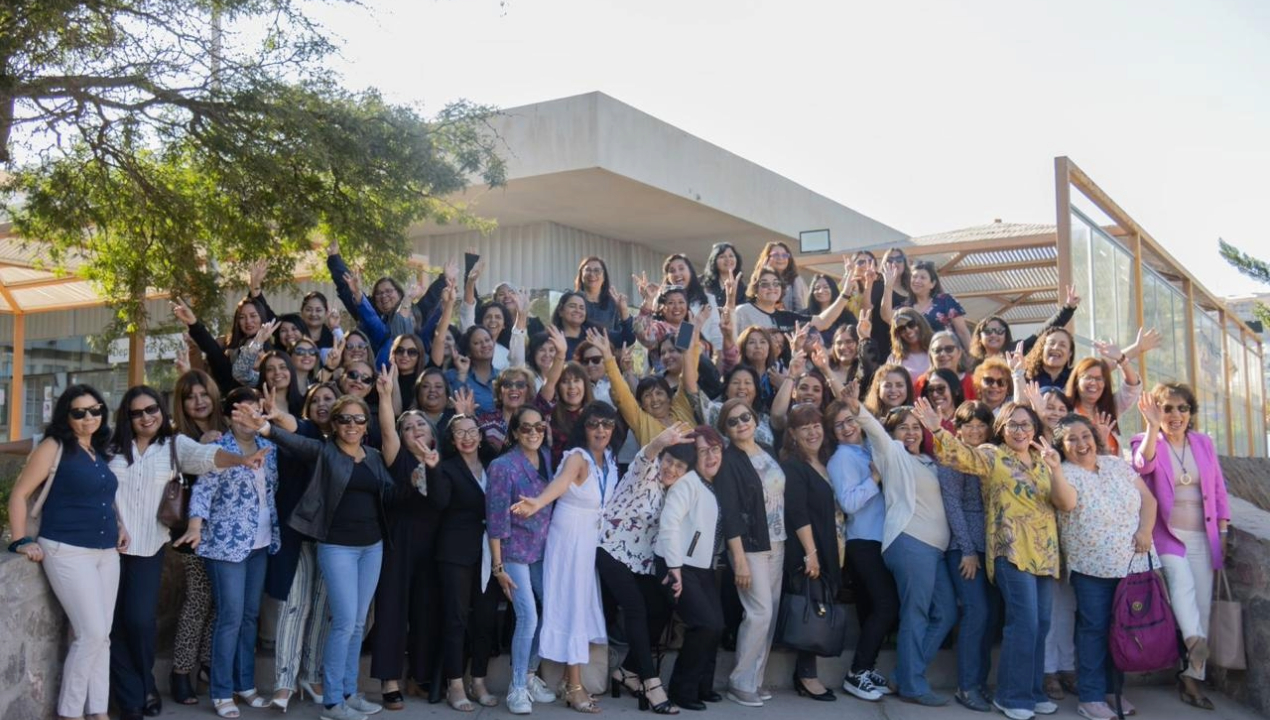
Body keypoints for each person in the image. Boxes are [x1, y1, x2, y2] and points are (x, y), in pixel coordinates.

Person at [108, 385, 264, 720]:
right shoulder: (110, 447)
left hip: (148, 547)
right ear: (126, 417)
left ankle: (145, 683)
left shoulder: (174, 445)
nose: (146, 417)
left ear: (162, 411)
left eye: (152, 409)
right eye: (137, 413)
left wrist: (241, 459)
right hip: (107, 548)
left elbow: (209, 458)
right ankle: (132, 696)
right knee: (113, 624)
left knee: (139, 621)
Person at [242, 393, 401, 720]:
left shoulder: (373, 457)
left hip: (372, 547)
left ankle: (349, 692)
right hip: (337, 547)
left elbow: (392, 488)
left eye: (359, 419)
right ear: (334, 424)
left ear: (366, 424)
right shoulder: (324, 452)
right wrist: (265, 428)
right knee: (344, 622)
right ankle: (332, 703)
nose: (352, 425)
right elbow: (295, 442)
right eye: (344, 419)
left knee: (358, 623)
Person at [918, 398, 1077, 720]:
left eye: (1026, 424)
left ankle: (1033, 692)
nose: (1020, 430)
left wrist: (1056, 469)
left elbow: (1066, 503)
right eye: (1012, 425)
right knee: (1024, 623)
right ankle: (1011, 696)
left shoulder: (1043, 459)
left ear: (1034, 428)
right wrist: (937, 429)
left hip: (1044, 554)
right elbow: (961, 456)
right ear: (1001, 429)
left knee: (1041, 624)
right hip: (1010, 550)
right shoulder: (993, 455)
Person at [8, 385, 123, 720]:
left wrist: (121, 526)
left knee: (102, 637)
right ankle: (70, 713)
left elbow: (100, 498)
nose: (89, 417)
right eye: (79, 412)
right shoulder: (54, 446)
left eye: (95, 410)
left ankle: (98, 711)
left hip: (106, 552)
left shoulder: (97, 449)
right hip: (67, 550)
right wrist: (20, 540)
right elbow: (20, 494)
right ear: (66, 416)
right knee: (91, 634)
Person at [175, 386, 279, 720]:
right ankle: (221, 691)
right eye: (241, 411)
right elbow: (202, 491)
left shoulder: (270, 446)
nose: (248, 417)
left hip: (261, 542)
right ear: (229, 415)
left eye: (254, 410)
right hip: (224, 545)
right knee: (230, 617)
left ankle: (245, 684)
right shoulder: (219, 448)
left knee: (249, 616)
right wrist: (195, 526)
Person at [512, 402, 621, 714]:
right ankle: (574, 687)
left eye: (607, 424)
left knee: (581, 608)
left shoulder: (609, 458)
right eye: (593, 424)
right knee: (573, 608)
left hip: (589, 540)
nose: (600, 430)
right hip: (569, 540)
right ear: (583, 428)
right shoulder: (577, 457)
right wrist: (537, 502)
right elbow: (560, 485)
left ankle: (566, 682)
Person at [1131, 385, 1231, 711]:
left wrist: (1223, 530)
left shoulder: (1203, 443)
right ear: (1157, 411)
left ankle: (1191, 677)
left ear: (1191, 412)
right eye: (1167, 408)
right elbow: (1142, 465)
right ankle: (1194, 644)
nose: (1175, 415)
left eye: (1182, 408)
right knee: (1182, 588)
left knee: (1201, 604)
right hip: (1166, 535)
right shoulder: (1145, 440)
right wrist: (1152, 427)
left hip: (1203, 535)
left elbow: (1218, 489)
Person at [1053, 414, 1157, 720]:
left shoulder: (1115, 464)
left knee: (1121, 629)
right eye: (1072, 439)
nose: (1081, 443)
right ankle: (1091, 696)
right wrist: (1054, 469)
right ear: (1062, 445)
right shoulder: (1063, 473)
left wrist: (1145, 530)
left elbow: (1149, 501)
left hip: (1132, 565)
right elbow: (1066, 504)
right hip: (1092, 569)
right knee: (1094, 631)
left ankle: (1113, 691)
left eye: (1085, 435)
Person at [852, 397, 955, 707]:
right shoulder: (893, 454)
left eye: (915, 427)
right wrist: (855, 405)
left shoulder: (929, 461)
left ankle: (902, 675)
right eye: (902, 428)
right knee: (916, 613)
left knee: (946, 612)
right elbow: (873, 429)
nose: (910, 432)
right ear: (892, 433)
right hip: (910, 543)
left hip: (935, 550)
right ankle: (912, 685)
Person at [599, 424, 693, 715]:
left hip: (641, 563)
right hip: (611, 550)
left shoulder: (675, 492)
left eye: (679, 466)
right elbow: (645, 457)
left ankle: (626, 672)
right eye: (669, 461)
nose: (671, 469)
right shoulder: (647, 474)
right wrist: (658, 443)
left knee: (662, 607)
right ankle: (651, 683)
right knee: (636, 609)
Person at [486, 407, 560, 714]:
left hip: (542, 550)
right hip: (513, 550)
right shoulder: (502, 466)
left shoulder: (547, 458)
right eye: (526, 428)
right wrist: (498, 567)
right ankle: (516, 687)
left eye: (538, 427)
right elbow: (495, 519)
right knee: (528, 616)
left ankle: (529, 674)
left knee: (553, 610)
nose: (533, 433)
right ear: (515, 432)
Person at [371, 401, 444, 710]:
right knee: (392, 610)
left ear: (433, 432)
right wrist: (385, 394)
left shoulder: (441, 459)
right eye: (408, 427)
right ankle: (389, 680)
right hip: (399, 541)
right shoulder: (397, 457)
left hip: (434, 543)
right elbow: (387, 428)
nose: (415, 429)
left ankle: (418, 676)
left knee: (426, 611)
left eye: (421, 424)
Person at [713, 398, 784, 708]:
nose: (741, 423)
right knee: (759, 613)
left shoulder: (767, 451)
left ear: (755, 419)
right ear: (726, 429)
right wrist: (739, 558)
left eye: (745, 417)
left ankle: (755, 678)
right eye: (733, 421)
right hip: (750, 545)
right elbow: (730, 512)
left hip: (778, 542)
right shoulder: (729, 460)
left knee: (770, 615)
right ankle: (740, 682)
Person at [431, 412, 503, 712]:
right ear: (451, 439)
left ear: (481, 435)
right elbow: (439, 502)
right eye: (459, 432)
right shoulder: (446, 468)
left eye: (472, 430)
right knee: (456, 618)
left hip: (491, 551)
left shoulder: (493, 465)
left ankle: (479, 681)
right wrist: (433, 470)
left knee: (485, 618)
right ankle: (455, 684)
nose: (467, 437)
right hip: (455, 552)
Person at [825, 397, 896, 702]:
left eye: (850, 420)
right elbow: (849, 503)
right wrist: (874, 478)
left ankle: (867, 668)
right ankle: (856, 672)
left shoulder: (867, 448)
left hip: (879, 539)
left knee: (872, 608)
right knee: (886, 605)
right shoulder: (841, 459)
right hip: (862, 540)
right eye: (838, 425)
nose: (846, 428)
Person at [655, 426, 726, 711]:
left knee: (717, 625)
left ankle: (701, 686)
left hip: (701, 566)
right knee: (705, 624)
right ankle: (682, 690)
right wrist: (674, 566)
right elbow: (669, 523)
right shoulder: (688, 483)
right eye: (702, 451)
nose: (710, 456)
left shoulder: (714, 484)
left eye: (715, 449)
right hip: (676, 565)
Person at [169, 370, 228, 705]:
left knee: (221, 601)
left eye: (203, 394)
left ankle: (206, 663)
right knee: (199, 599)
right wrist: (201, 449)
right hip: (191, 533)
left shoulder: (229, 427)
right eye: (190, 397)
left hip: (227, 532)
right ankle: (180, 672)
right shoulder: (177, 438)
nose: (199, 401)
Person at [938, 401, 999, 712]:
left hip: (993, 548)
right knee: (976, 612)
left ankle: (980, 681)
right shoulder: (953, 458)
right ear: (958, 429)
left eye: (981, 425)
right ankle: (966, 685)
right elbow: (953, 506)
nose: (975, 431)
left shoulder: (992, 455)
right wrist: (967, 550)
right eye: (968, 425)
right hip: (965, 550)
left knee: (991, 616)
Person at [779, 404, 840, 702]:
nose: (813, 432)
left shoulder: (825, 462)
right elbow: (797, 511)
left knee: (819, 603)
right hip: (808, 548)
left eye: (816, 425)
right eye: (805, 428)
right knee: (812, 607)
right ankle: (807, 676)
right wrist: (810, 553)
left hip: (828, 546)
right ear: (792, 433)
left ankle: (805, 673)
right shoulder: (794, 466)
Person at [1064, 328, 1159, 456]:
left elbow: (1132, 388)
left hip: (1115, 467)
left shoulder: (1109, 408)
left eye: (1099, 379)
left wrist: (1121, 359)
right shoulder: (1065, 410)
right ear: (1076, 381)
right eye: (1088, 378)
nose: (1093, 383)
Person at [896, 260, 972, 350]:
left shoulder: (945, 300)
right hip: (919, 356)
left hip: (948, 353)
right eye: (914, 277)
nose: (917, 280)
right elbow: (887, 317)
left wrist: (971, 355)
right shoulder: (905, 308)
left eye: (923, 278)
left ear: (932, 284)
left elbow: (962, 332)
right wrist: (888, 286)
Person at [752, 241, 807, 312]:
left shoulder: (795, 280)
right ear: (767, 258)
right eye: (776, 255)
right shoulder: (758, 278)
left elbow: (801, 310)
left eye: (785, 255)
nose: (781, 258)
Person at [886, 307, 934, 379]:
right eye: (901, 329)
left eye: (911, 324)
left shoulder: (937, 350)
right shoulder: (894, 358)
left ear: (920, 323)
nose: (908, 331)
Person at [700, 242, 743, 307]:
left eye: (731, 256)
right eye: (722, 257)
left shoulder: (743, 289)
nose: (728, 259)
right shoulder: (701, 282)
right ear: (714, 260)